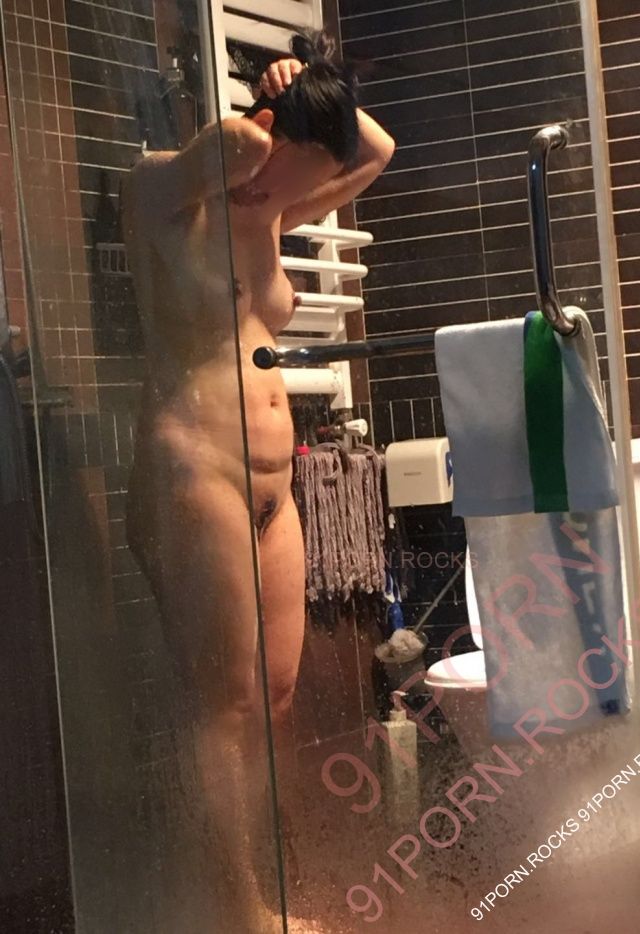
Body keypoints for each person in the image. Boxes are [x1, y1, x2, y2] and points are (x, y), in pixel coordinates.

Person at [121, 32, 394, 930]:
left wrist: (310, 85)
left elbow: (377, 148)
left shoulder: (270, 212)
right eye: (293, 167)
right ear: (265, 132)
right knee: (223, 704)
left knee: (274, 696)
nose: (296, 191)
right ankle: (235, 908)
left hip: (274, 486)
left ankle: (250, 887)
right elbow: (227, 148)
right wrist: (265, 110)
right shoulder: (164, 195)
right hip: (194, 471)